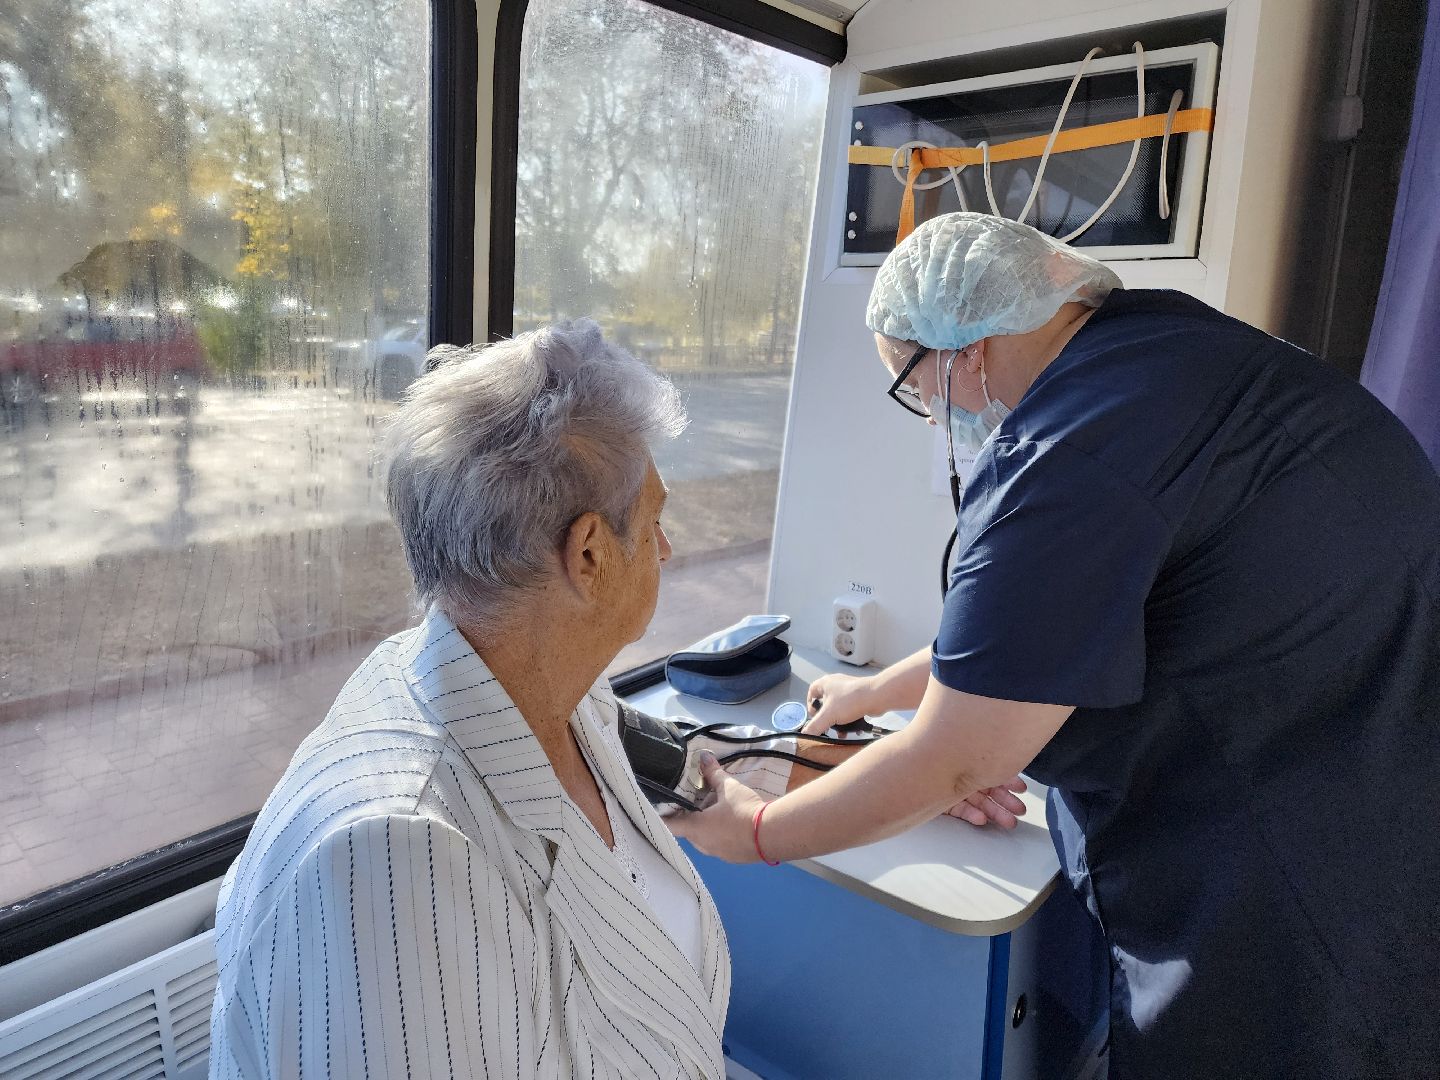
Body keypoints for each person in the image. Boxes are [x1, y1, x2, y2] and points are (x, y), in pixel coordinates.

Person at [670, 213, 1440, 1078]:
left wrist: (756, 831)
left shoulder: (1064, 450)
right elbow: (1059, 623)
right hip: (1385, 793)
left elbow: (958, 761)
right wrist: (876, 692)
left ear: (962, 350)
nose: (933, 418)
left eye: (917, 389)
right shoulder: (1169, 351)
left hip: (1275, 882)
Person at [208, 320, 829, 1080]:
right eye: (656, 521)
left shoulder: (552, 695)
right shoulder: (395, 865)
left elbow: (696, 766)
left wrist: (879, 760)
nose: (666, 550)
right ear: (591, 555)